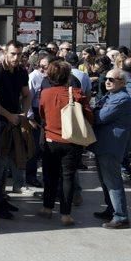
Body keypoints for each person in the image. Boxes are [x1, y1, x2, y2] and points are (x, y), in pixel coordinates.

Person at [38, 59, 92, 226]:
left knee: (50, 175)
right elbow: (89, 115)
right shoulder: (76, 93)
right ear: (67, 75)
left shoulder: (45, 93)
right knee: (68, 176)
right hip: (71, 140)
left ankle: (47, 208)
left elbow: (42, 114)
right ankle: (65, 214)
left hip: (50, 139)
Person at [0, 40, 31, 219]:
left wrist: (23, 113)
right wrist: (8, 115)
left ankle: (1, 198)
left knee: (6, 164)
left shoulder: (21, 71)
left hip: (13, 123)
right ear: (5, 53)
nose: (16, 57)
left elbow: (27, 94)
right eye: (13, 54)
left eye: (19, 54)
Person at [92, 69, 131, 228]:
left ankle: (121, 216)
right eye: (106, 79)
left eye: (112, 79)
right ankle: (111, 209)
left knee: (112, 181)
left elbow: (99, 117)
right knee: (105, 180)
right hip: (103, 145)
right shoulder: (111, 96)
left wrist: (93, 112)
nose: (108, 81)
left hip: (110, 146)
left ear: (122, 82)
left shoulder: (122, 99)